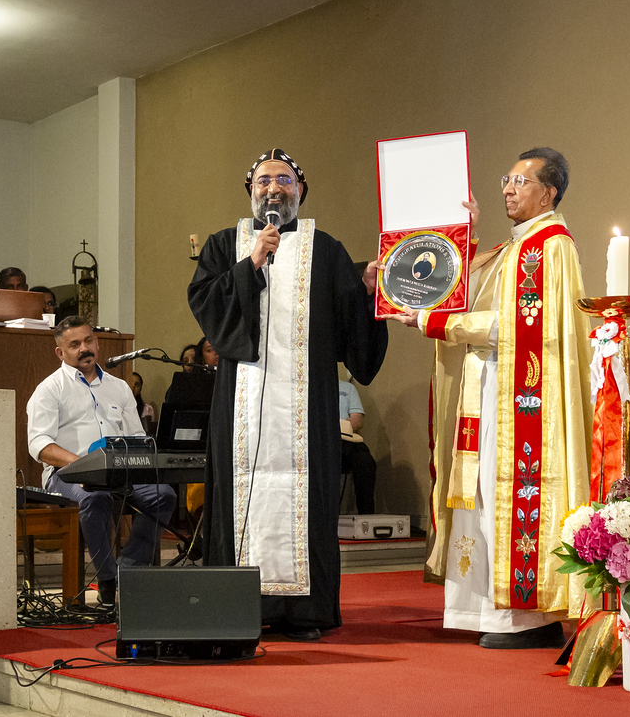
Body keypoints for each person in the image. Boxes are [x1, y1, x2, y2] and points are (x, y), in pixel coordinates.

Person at [387, 147, 593, 648]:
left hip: (522, 397)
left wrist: (435, 322)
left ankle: (524, 617)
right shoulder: (514, 247)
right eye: (507, 179)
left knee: (505, 492)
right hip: (489, 387)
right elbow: (469, 292)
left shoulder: (549, 247)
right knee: (478, 496)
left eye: (521, 181)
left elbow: (519, 327)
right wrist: (462, 237)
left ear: (549, 193)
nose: (508, 189)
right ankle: (486, 609)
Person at [188, 147, 388, 641]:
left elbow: (350, 326)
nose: (273, 188)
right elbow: (207, 305)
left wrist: (366, 292)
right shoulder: (224, 244)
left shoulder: (327, 250)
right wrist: (252, 262)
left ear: (300, 190)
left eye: (284, 180)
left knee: (309, 496)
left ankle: (305, 613)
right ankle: (238, 606)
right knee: (238, 497)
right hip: (240, 404)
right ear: (250, 190)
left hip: (307, 408)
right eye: (264, 180)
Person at [26, 316, 176, 607]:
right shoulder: (50, 389)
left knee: (164, 494)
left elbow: (136, 436)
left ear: (97, 342)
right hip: (67, 474)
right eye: (75, 344)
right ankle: (107, 577)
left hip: (119, 470)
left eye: (88, 340)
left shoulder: (119, 387)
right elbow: (40, 445)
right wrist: (84, 466)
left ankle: (128, 570)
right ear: (60, 353)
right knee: (95, 498)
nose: (84, 348)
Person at [338, 378, 378, 515]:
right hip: (322, 443)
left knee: (365, 461)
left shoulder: (348, 388)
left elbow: (357, 421)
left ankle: (366, 515)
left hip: (346, 439)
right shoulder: (310, 387)